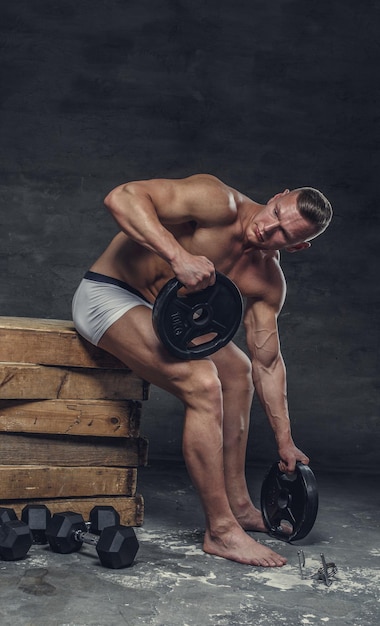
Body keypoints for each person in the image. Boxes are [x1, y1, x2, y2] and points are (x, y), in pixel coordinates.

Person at [72, 174, 332, 567]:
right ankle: (221, 532)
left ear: (297, 246)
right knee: (203, 381)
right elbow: (121, 197)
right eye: (276, 212)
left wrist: (285, 440)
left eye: (283, 234)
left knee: (239, 371)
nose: (269, 227)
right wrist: (178, 256)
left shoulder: (266, 279)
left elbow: (268, 362)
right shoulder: (217, 203)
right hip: (107, 294)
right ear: (276, 196)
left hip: (162, 318)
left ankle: (241, 507)